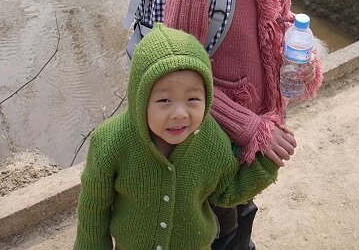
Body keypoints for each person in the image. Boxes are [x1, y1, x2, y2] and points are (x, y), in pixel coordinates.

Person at [164, 0, 323, 250]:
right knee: (216, 228)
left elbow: (280, 24)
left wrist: (301, 61)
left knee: (243, 210)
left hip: (257, 129)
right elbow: (175, 77)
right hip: (208, 138)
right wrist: (251, 127)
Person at [74, 23, 280, 250]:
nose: (180, 114)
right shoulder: (109, 142)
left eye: (192, 99)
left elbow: (227, 192)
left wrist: (267, 163)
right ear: (140, 99)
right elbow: (94, 209)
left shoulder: (211, 139)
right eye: (164, 101)